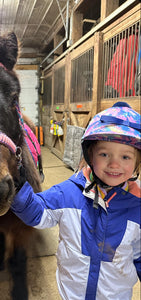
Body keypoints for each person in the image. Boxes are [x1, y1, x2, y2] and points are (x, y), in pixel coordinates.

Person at [11, 102, 141, 300]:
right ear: (90, 155)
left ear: (137, 163)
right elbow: (37, 213)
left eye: (125, 156)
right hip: (73, 294)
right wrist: (18, 187)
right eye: (104, 154)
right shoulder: (68, 193)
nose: (114, 164)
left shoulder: (137, 206)